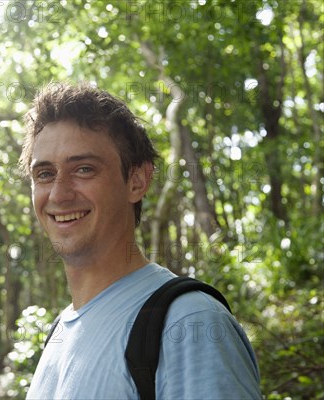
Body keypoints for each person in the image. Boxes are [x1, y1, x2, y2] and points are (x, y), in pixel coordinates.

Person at [19, 83, 261, 399]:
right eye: (45, 174)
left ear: (137, 181)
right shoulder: (60, 331)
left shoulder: (188, 323)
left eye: (84, 169)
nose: (60, 194)